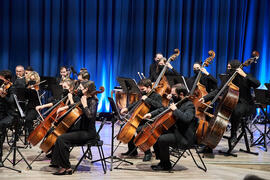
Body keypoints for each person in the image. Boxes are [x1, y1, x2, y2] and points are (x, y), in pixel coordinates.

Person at [200, 59, 261, 147]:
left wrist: (245, 75)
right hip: (231, 102)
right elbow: (218, 90)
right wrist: (205, 98)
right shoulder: (227, 77)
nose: (228, 69)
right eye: (228, 67)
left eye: (230, 67)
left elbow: (257, 84)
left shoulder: (245, 76)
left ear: (236, 68)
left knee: (237, 111)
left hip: (245, 104)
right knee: (218, 113)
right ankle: (209, 145)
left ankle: (233, 134)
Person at [144, 83, 197, 170]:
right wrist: (151, 114)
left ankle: (166, 165)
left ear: (181, 94)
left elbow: (186, 119)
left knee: (162, 139)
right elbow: (163, 109)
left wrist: (175, 110)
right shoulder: (177, 102)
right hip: (176, 132)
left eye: (173, 94)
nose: (171, 96)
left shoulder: (189, 105)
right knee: (156, 135)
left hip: (184, 137)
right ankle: (163, 161)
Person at [50, 80, 98, 175]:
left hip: (88, 133)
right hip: (81, 129)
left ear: (86, 89)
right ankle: (58, 163)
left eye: (80, 88)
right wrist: (64, 107)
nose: (78, 90)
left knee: (62, 139)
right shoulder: (83, 98)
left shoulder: (92, 101)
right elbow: (74, 105)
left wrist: (84, 105)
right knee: (59, 134)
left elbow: (90, 116)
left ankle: (66, 167)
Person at [120, 78, 162, 161]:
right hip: (141, 118)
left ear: (149, 87)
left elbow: (159, 107)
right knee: (128, 127)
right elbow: (137, 103)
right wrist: (127, 108)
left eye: (143, 89)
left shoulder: (156, 96)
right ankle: (132, 151)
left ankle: (147, 152)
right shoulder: (144, 95)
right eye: (140, 89)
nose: (141, 91)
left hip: (151, 119)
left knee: (140, 130)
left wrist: (147, 100)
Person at [0, 70, 20, 165]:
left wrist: (4, 96)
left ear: (7, 80)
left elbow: (11, 102)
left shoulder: (12, 88)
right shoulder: (2, 87)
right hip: (2, 111)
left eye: (2, 80)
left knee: (1, 127)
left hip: (9, 113)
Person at [24, 71, 41, 135]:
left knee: (29, 119)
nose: (32, 82)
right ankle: (29, 136)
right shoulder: (27, 86)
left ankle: (32, 134)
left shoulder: (38, 87)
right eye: (31, 80)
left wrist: (34, 89)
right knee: (26, 121)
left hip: (35, 107)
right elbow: (25, 96)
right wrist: (27, 89)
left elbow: (38, 98)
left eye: (33, 80)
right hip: (27, 106)